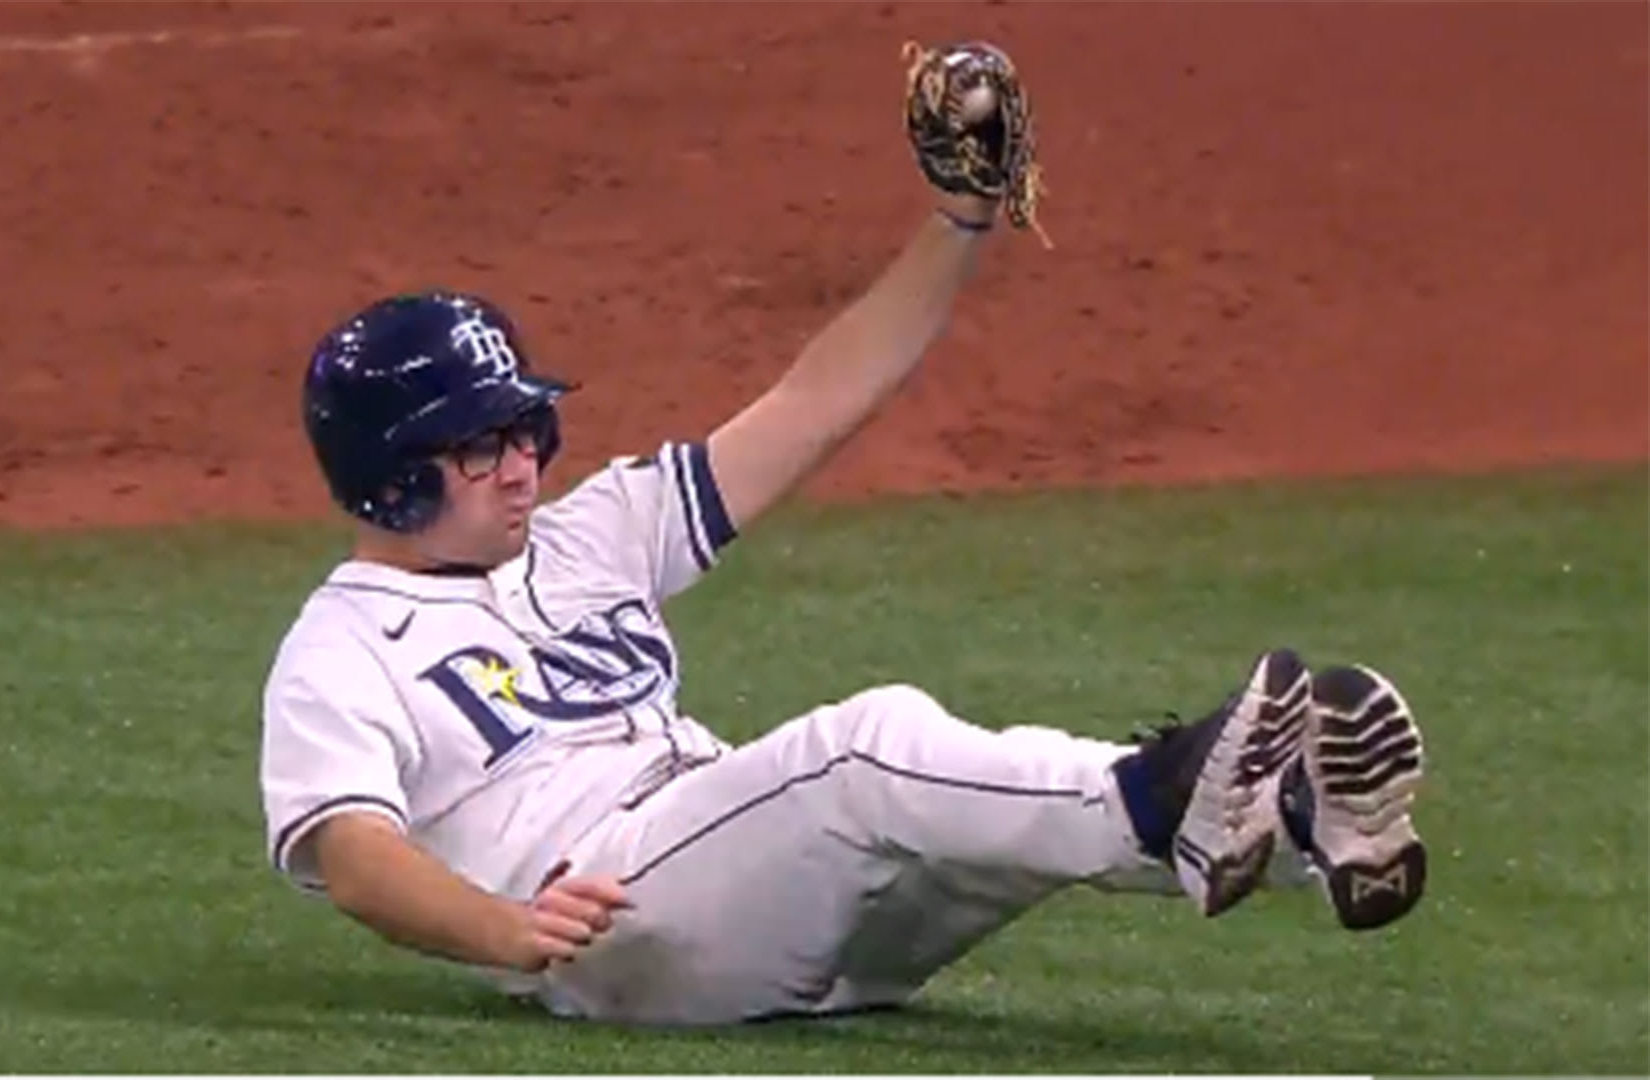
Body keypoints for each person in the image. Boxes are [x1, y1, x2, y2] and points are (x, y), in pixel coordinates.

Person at [256, 46, 1427, 1027]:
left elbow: (816, 401)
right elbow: (352, 854)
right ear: (394, 480)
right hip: (619, 930)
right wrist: (504, 930)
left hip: (755, 897)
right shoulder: (341, 651)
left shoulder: (589, 535)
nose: (522, 463)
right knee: (867, 749)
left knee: (950, 831)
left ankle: (1291, 823)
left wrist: (958, 222)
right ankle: (1182, 787)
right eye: (481, 447)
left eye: (527, 429)